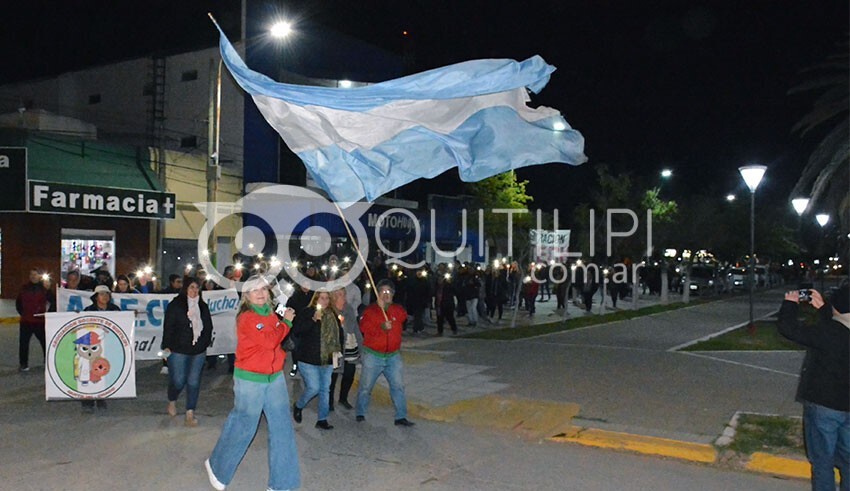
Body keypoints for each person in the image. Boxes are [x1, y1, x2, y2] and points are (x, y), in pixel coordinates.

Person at [205, 275, 300, 491]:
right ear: (246, 296)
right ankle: (217, 467)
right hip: (250, 380)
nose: (260, 293)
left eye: (263, 289)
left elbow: (276, 339)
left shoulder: (272, 314)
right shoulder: (247, 317)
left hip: (274, 377)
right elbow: (269, 341)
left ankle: (283, 484)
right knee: (243, 427)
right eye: (254, 290)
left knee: (283, 429)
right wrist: (286, 322)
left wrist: (283, 319)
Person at [778, 283, 849, 491]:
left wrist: (790, 304)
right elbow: (841, 323)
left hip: (824, 405)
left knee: (823, 461)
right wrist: (824, 309)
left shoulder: (827, 333)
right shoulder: (834, 330)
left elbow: (789, 329)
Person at [355, 279, 414, 426]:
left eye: (389, 292)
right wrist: (380, 325)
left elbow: (402, 317)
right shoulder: (370, 311)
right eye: (383, 292)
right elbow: (364, 328)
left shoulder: (397, 310)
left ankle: (401, 416)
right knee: (366, 387)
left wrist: (387, 309)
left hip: (393, 356)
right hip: (373, 356)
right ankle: (360, 412)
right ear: (377, 294)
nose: (386, 295)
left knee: (398, 386)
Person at [161, 277, 214, 426]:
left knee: (193, 381)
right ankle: (172, 399)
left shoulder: (202, 306)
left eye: (197, 288)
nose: (194, 290)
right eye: (191, 287)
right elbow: (168, 327)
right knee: (178, 380)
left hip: (198, 350)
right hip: (178, 349)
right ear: (185, 288)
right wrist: (166, 345)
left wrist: (203, 343)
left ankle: (190, 411)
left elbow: (208, 327)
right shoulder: (176, 305)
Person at [291, 290, 341, 430]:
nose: (324, 301)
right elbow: (298, 331)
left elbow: (338, 336)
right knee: (314, 388)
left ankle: (322, 419)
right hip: (308, 359)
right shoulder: (307, 312)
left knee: (325, 390)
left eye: (326, 298)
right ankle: (299, 405)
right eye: (321, 298)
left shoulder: (332, 315)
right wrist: (313, 320)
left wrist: (338, 355)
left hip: (327, 360)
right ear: (315, 300)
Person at [81, 285, 121, 412]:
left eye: (107, 294)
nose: (105, 297)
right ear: (96, 297)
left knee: (103, 373)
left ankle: (101, 398)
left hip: (108, 346)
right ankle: (87, 401)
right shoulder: (88, 310)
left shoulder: (115, 310)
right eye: (102, 294)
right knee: (89, 373)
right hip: (92, 347)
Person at [329, 287, 361, 411]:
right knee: (333, 375)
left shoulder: (349, 309)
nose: (344, 297)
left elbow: (355, 328)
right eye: (340, 294)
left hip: (349, 347)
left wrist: (361, 345)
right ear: (334, 297)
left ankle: (343, 398)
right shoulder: (330, 311)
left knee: (349, 374)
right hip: (336, 349)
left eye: (344, 294)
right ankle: (329, 401)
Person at [16, 269, 49, 372]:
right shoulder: (24, 288)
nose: (33, 276)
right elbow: (18, 303)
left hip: (40, 321)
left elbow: (52, 300)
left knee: (45, 342)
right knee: (24, 344)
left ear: (39, 276)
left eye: (35, 274)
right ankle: (23, 364)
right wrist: (24, 313)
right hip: (26, 321)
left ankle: (47, 360)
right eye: (31, 274)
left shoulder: (44, 288)